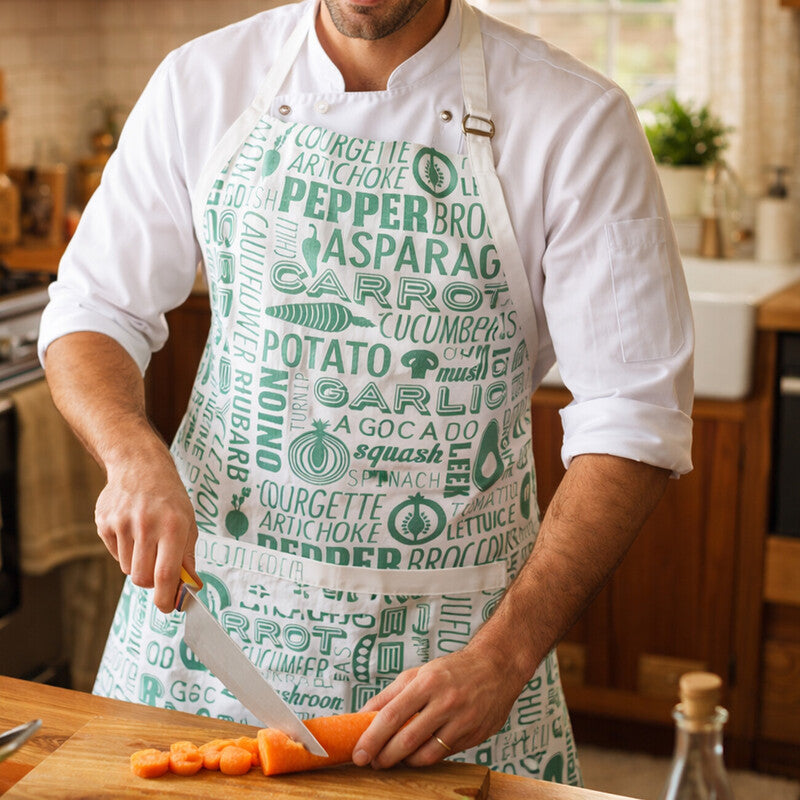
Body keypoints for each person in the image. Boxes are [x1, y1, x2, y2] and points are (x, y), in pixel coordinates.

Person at [39, 0, 694, 785]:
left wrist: (504, 657)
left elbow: (634, 419)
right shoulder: (205, 81)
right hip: (202, 644)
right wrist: (130, 454)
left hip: (448, 680)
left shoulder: (574, 120)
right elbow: (92, 309)